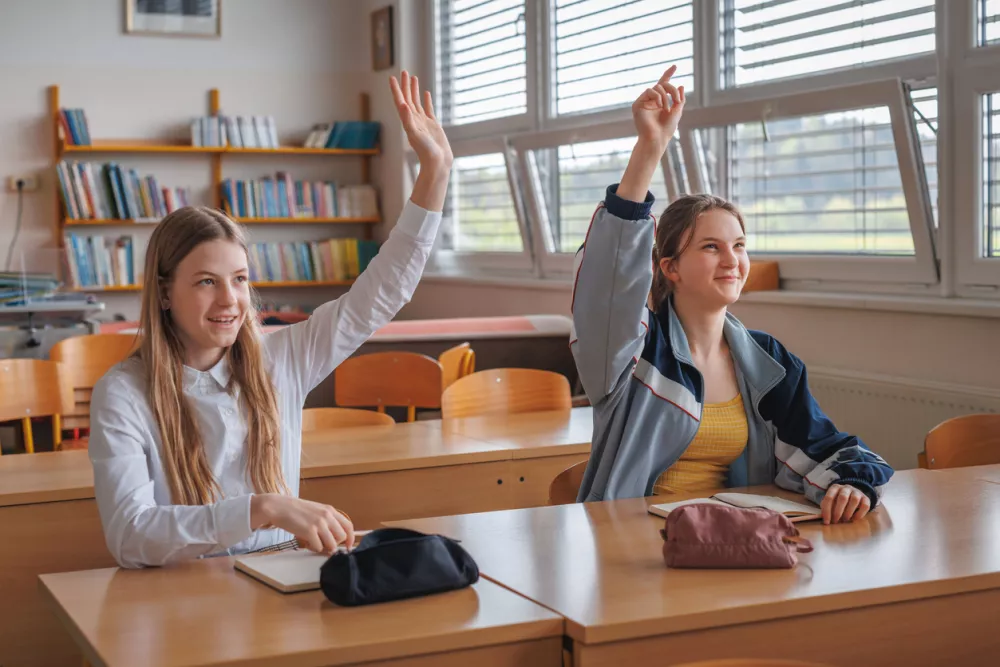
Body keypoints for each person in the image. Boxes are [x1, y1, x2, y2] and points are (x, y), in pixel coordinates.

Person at [89, 71, 453, 568]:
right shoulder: (124, 391)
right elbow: (131, 536)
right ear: (164, 293)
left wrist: (435, 173)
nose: (229, 300)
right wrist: (262, 508)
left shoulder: (281, 356)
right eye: (205, 281)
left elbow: (381, 292)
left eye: (239, 279)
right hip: (178, 588)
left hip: (277, 573)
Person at [571, 65, 892, 524]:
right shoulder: (632, 352)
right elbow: (608, 285)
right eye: (710, 247)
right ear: (669, 268)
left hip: (731, 540)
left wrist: (853, 484)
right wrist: (650, 147)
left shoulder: (765, 360)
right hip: (633, 542)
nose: (732, 261)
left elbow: (825, 446)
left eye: (739, 246)